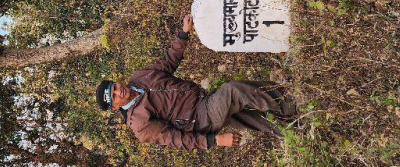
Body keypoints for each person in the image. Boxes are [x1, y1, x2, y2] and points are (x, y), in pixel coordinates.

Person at [95, 14, 296, 150]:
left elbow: (168, 62)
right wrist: (215, 141)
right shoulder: (139, 124)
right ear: (114, 107)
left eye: (114, 87)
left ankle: (294, 129)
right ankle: (292, 103)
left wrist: (183, 34)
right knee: (232, 92)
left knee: (250, 117)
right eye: (114, 96)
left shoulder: (139, 77)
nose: (119, 91)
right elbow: (175, 139)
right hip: (200, 119)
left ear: (117, 82)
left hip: (202, 99)